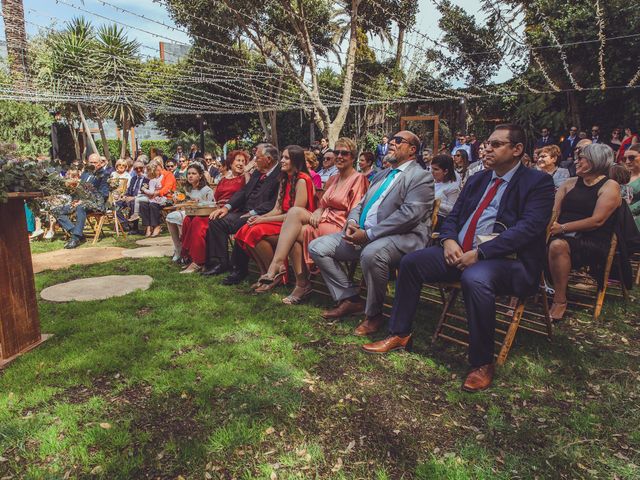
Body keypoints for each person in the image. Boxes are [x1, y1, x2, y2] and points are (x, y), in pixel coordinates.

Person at [361, 124, 555, 393]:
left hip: (509, 262)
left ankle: (481, 363)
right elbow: (453, 218)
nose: (487, 148)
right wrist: (449, 240)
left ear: (517, 149)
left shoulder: (538, 182)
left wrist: (481, 253)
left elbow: (529, 228)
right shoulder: (478, 180)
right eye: (487, 143)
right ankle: (400, 333)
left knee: (475, 277)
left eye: (496, 144)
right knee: (412, 262)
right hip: (459, 252)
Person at [309, 130, 433, 336]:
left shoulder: (421, 176)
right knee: (317, 247)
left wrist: (369, 234)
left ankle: (374, 315)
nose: (391, 143)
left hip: (402, 239)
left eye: (398, 141)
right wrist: (352, 222)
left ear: (412, 150)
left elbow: (409, 215)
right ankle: (349, 298)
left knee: (371, 253)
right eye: (391, 139)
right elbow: (360, 204)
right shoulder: (383, 174)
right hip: (363, 234)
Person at [258, 138, 368, 303]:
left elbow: (355, 212)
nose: (339, 156)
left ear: (352, 157)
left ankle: (288, 274)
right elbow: (323, 203)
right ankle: (296, 279)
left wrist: (322, 212)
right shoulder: (333, 179)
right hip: (323, 219)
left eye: (344, 153)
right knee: (294, 217)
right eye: (336, 152)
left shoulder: (359, 179)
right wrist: (318, 210)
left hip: (340, 226)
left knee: (295, 228)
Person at [547, 143, 620, 322]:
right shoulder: (569, 183)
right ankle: (518, 296)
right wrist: (550, 226)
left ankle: (560, 300)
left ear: (595, 162)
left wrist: (562, 228)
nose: (576, 161)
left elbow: (597, 221)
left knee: (557, 246)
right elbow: (553, 213)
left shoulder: (609, 186)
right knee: (528, 240)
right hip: (560, 234)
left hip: (591, 240)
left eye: (581, 158)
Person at [234, 145, 316, 292]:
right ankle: (264, 273)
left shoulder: (302, 181)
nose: (282, 161)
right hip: (281, 219)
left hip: (294, 225)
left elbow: (294, 216)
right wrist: (260, 217)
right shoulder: (284, 178)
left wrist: (262, 220)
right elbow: (277, 208)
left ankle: (277, 274)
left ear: (296, 161)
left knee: (255, 231)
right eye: (282, 157)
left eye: (286, 158)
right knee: (245, 229)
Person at [201, 144, 281, 281]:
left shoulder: (280, 174)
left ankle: (239, 269)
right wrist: (226, 207)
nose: (254, 161)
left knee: (242, 224)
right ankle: (220, 263)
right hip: (245, 210)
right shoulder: (258, 172)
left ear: (268, 159)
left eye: (257, 157)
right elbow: (244, 192)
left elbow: (273, 203)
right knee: (216, 220)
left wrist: (252, 212)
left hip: (263, 214)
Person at [55, 153, 111, 249]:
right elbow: (79, 190)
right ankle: (76, 232)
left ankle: (75, 238)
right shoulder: (85, 173)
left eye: (95, 162)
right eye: (91, 162)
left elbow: (103, 195)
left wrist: (85, 200)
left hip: (96, 204)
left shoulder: (104, 175)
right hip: (80, 201)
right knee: (57, 210)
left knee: (81, 207)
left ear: (100, 163)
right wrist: (74, 198)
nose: (93, 164)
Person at [166, 162, 215, 263]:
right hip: (187, 211)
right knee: (170, 217)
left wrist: (199, 202)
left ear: (200, 176)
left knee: (178, 218)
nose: (190, 176)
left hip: (201, 215)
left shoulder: (206, 190)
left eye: (194, 173)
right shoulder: (187, 189)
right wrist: (178, 199)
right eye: (189, 174)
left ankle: (184, 250)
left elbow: (211, 205)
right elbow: (182, 202)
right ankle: (178, 247)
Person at [139, 158, 176, 237]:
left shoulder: (168, 174)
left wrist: (157, 193)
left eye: (157, 164)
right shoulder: (153, 174)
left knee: (153, 205)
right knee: (143, 204)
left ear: (161, 165)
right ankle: (148, 226)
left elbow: (167, 188)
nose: (156, 167)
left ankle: (156, 226)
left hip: (166, 198)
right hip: (153, 197)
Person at [116, 161, 146, 233]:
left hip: (141, 199)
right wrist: (124, 196)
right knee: (115, 204)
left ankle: (134, 228)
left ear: (144, 168)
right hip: (130, 198)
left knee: (133, 202)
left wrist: (134, 197)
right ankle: (125, 223)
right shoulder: (133, 178)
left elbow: (147, 193)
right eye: (136, 169)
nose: (138, 170)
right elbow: (129, 191)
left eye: (140, 168)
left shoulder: (147, 179)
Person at [431, 154, 460, 222]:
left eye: (436, 169)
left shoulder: (453, 188)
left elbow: (452, 209)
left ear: (445, 171)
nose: (432, 171)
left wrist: (434, 203)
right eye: (432, 168)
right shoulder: (430, 181)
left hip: (439, 220)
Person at [624, 144, 640, 229]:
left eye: (631, 157)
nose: (627, 161)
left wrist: (624, 211)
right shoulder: (622, 175)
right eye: (624, 158)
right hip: (620, 224)